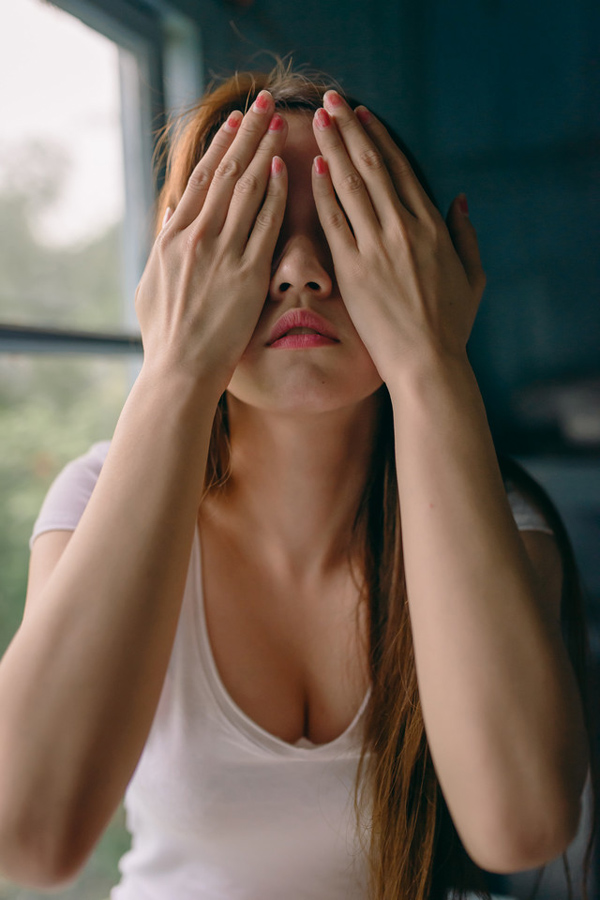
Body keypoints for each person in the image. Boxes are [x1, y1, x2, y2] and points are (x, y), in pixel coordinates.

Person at [0, 60, 596, 900]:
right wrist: (175, 366)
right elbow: (27, 836)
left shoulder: (497, 516)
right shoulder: (98, 498)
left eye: (349, 226)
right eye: (256, 227)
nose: (299, 273)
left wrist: (431, 359)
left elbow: (521, 826)